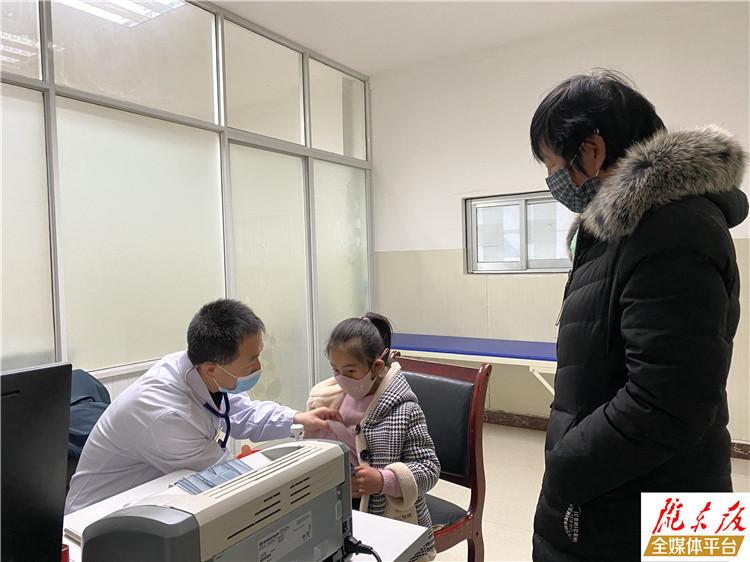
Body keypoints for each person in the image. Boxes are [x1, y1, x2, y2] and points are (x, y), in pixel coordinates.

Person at [528, 69, 748, 561]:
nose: (552, 180)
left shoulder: (674, 228)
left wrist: (567, 466)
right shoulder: (620, 230)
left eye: (553, 164)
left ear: (592, 150)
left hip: (657, 497)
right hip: (625, 486)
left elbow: (669, 400)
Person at [65, 299, 340, 514]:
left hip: (151, 502)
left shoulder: (201, 369)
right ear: (211, 368)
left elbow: (241, 411)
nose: (258, 367)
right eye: (252, 360)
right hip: (95, 520)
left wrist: (297, 419)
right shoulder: (163, 413)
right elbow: (222, 476)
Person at [306, 313, 440, 562]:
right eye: (335, 369)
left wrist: (383, 480)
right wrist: (320, 429)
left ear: (376, 367)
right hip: (339, 509)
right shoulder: (332, 398)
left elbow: (429, 469)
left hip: (385, 517)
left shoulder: (404, 410)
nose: (341, 378)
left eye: (350, 371)